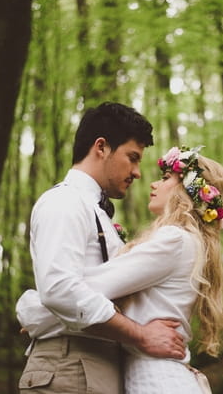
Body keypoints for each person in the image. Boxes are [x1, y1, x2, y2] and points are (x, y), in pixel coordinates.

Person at [17, 145, 223, 393]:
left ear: (187, 191)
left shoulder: (174, 240)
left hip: (159, 380)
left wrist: (33, 309)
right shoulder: (186, 243)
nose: (153, 184)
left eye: (164, 179)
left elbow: (80, 289)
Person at [16, 102, 186, 394]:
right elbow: (59, 289)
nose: (137, 173)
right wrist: (141, 335)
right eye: (132, 158)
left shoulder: (95, 212)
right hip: (70, 364)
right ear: (101, 147)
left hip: (92, 364)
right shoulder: (64, 202)